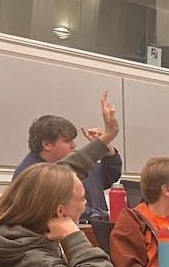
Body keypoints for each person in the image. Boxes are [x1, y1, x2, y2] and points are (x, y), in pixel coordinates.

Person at [13, 90, 123, 222]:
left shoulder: (72, 165)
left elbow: (111, 174)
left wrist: (107, 146)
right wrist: (105, 215)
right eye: (67, 141)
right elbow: (67, 210)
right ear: (47, 144)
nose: (74, 145)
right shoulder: (30, 175)